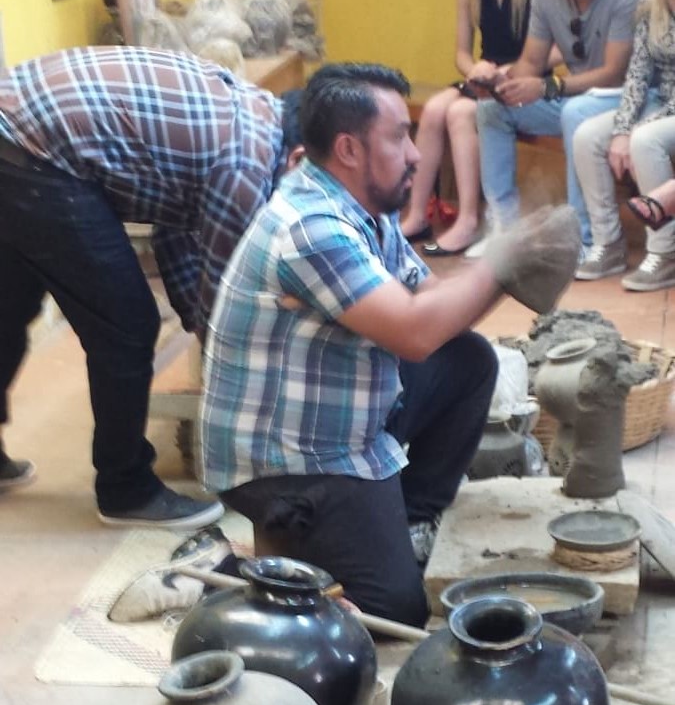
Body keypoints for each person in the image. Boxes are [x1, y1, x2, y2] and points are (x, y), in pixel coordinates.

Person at [110, 63, 581, 629]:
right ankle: (219, 571)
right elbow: (413, 329)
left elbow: (433, 306)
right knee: (393, 611)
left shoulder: (368, 213)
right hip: (286, 460)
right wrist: (503, 264)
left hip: (340, 422)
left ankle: (404, 521)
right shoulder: (311, 227)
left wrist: (505, 270)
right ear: (349, 149)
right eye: (397, 137)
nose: (413, 153)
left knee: (469, 361)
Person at [0, 45, 303, 525]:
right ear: (299, 157)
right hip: (34, 150)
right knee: (127, 326)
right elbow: (225, 297)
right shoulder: (249, 166)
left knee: (9, 306)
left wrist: (198, 322)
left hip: (18, 124)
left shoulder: (254, 112)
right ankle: (126, 490)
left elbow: (177, 233)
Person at [476, 0, 645, 274]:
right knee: (490, 110)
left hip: (629, 101)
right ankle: (503, 226)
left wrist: (549, 87)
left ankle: (581, 239)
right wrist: (505, 84)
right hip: (575, 95)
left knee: (574, 112)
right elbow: (531, 62)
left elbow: (615, 73)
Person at [400, 0, 553, 256]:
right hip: (484, 76)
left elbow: (558, 48)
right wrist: (477, 71)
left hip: (525, 77)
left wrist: (510, 72)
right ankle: (416, 214)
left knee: (459, 112)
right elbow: (461, 53)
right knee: (435, 108)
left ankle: (470, 219)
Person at [573, 0, 675, 290]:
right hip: (662, 101)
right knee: (589, 135)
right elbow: (637, 75)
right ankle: (608, 243)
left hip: (668, 112)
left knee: (645, 139)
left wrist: (639, 129)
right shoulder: (652, 1)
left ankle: (664, 252)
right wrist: (620, 130)